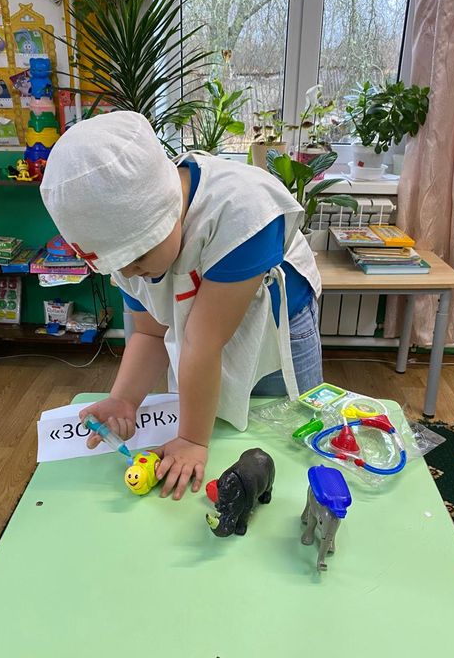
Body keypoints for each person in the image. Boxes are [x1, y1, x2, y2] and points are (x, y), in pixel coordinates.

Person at [41, 111, 323, 499]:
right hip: (199, 339)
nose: (130, 273)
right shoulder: (131, 254)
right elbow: (150, 332)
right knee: (215, 427)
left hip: (275, 331)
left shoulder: (242, 210)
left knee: (293, 446)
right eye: (116, 266)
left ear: (170, 209)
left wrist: (191, 439)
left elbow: (202, 344)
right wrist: (124, 398)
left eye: (137, 258)